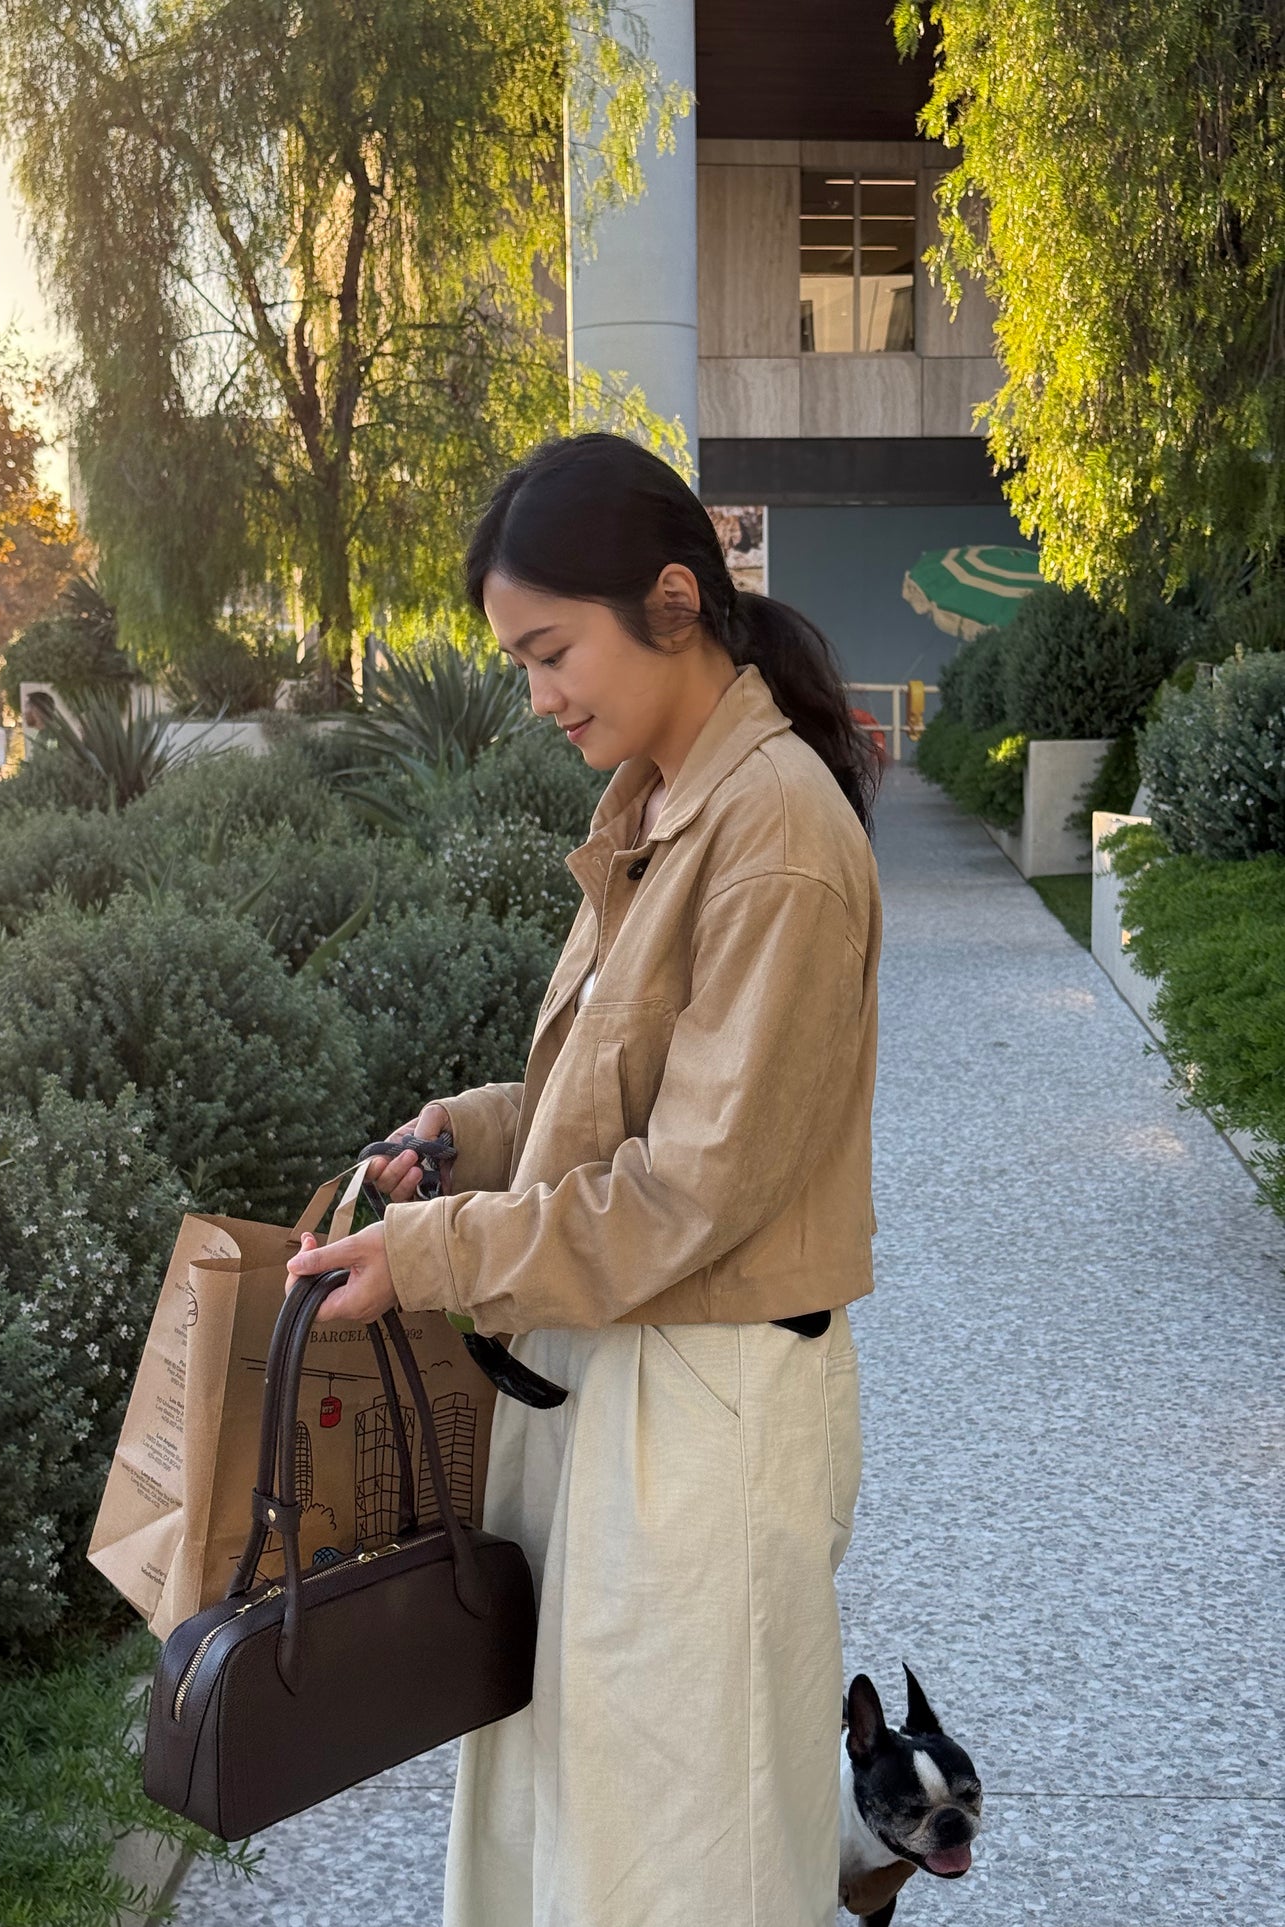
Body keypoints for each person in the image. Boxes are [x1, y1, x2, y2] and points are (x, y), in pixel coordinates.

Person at [286, 432, 884, 1927]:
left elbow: (690, 1194)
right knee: (591, 1822)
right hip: (610, 1383)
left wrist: (429, 1253)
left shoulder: (775, 833)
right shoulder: (654, 803)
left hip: (704, 1408)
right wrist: (475, 1129)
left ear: (673, 601)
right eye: (520, 660)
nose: (540, 693)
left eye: (553, 650)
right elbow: (619, 1091)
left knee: (692, 1849)